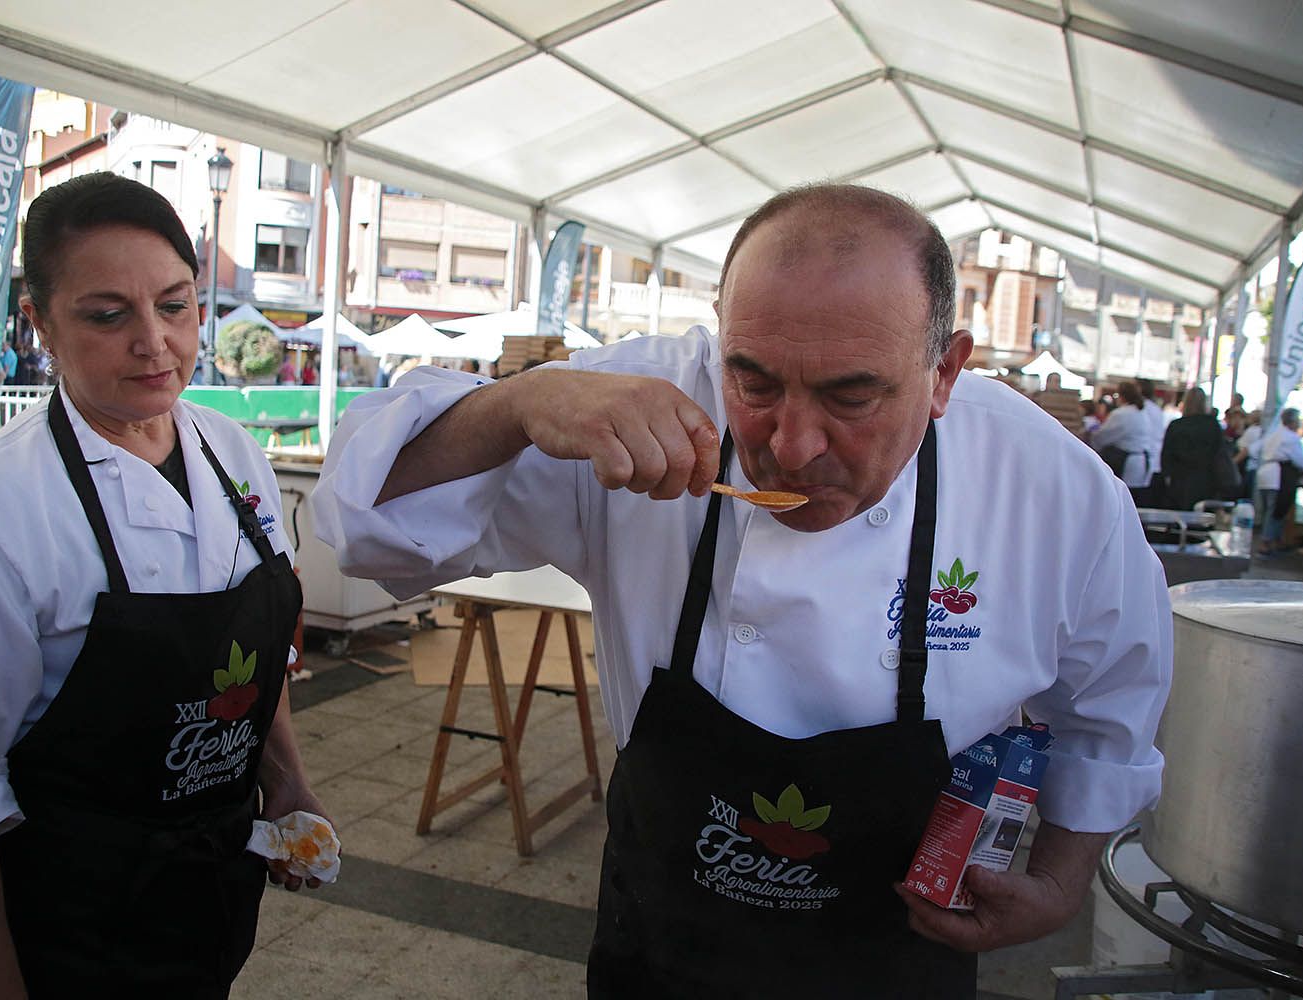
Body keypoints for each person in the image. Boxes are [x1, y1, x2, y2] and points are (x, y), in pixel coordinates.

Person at [313, 183, 1171, 997]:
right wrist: (515, 406)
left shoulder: (1051, 489)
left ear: (945, 372)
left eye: (852, 394)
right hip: (662, 951)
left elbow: (1110, 707)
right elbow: (363, 523)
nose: (792, 446)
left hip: (895, 960)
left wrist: (1060, 882)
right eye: (754, 382)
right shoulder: (639, 402)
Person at [0, 173, 326, 998]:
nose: (155, 343)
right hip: (54, 935)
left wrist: (286, 780)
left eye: (175, 305)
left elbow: (250, 656)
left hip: (203, 912)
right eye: (107, 315)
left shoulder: (233, 456)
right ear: (41, 323)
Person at [1257, 407, 1303, 555]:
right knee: (1276, 510)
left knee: (1270, 510)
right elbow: (1301, 460)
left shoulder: (1274, 433)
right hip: (1278, 476)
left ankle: (1275, 539)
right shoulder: (1290, 437)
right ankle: (1266, 542)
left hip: (1265, 473)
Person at [1160, 387, 1228, 509]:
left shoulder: (1176, 425)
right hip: (1206, 478)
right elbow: (1219, 453)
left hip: (1180, 478)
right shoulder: (1212, 425)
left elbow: (1166, 454)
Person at [1090, 380, 1154, 492]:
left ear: (1122, 396)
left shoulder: (1122, 414)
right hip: (1141, 461)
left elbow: (1103, 436)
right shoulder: (1141, 411)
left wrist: (1091, 437)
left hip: (1127, 463)